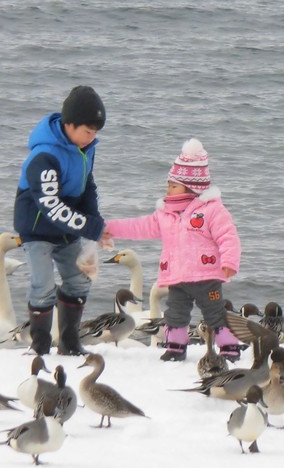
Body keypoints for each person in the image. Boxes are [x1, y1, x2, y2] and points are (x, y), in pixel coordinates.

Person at [101, 138, 242, 362]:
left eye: (173, 185)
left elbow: (228, 236)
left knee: (214, 313)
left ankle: (229, 346)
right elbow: (140, 226)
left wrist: (229, 263)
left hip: (207, 277)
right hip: (177, 278)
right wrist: (109, 228)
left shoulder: (212, 210)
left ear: (191, 188)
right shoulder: (165, 215)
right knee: (175, 313)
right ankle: (176, 346)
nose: (168, 189)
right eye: (168, 184)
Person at [13, 85, 106, 356]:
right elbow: (51, 205)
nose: (92, 137)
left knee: (78, 282)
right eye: (88, 131)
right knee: (42, 287)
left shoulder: (85, 148)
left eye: (96, 132)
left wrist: (94, 219)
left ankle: (69, 343)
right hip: (37, 229)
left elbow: (87, 185)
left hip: (67, 230)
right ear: (70, 124)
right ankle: (39, 345)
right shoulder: (44, 156)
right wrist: (90, 226)